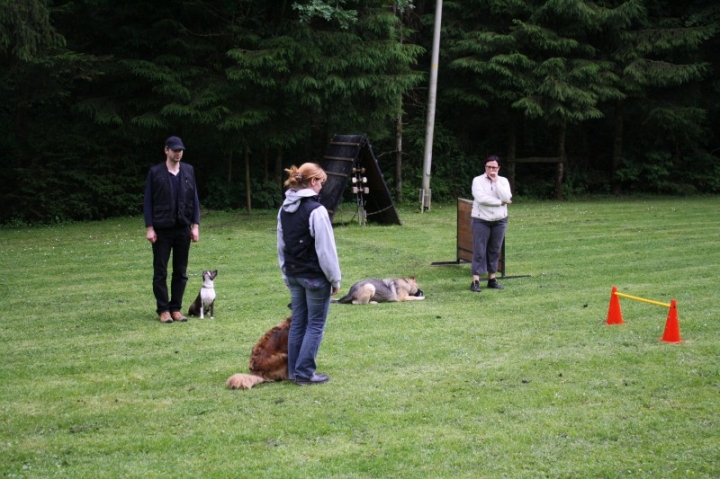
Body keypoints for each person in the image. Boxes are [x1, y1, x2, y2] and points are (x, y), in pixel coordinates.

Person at [277, 163, 341, 385]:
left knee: (298, 324)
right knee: (315, 325)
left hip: (294, 274)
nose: (322, 187)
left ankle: (294, 371)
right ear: (313, 181)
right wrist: (335, 279)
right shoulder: (317, 211)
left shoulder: (284, 209)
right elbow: (326, 251)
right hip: (314, 277)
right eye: (321, 182)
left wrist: (286, 275)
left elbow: (281, 246)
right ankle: (304, 373)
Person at [143, 136, 200, 323]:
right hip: (161, 230)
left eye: (180, 150)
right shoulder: (155, 172)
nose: (178, 153)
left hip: (183, 229)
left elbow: (194, 200)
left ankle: (176, 308)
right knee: (160, 271)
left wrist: (195, 226)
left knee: (180, 271)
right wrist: (150, 227)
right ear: (166, 150)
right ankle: (163, 310)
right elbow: (148, 202)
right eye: (174, 150)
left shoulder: (188, 171)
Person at [470, 155, 512, 292]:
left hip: (500, 221)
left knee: (495, 250)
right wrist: (500, 202)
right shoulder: (478, 180)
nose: (491, 170)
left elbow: (507, 197)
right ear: (485, 167)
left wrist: (496, 183)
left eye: (494, 167)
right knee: (479, 250)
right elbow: (481, 198)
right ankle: (475, 281)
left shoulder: (503, 181)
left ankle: (492, 279)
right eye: (489, 167)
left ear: (499, 168)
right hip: (481, 220)